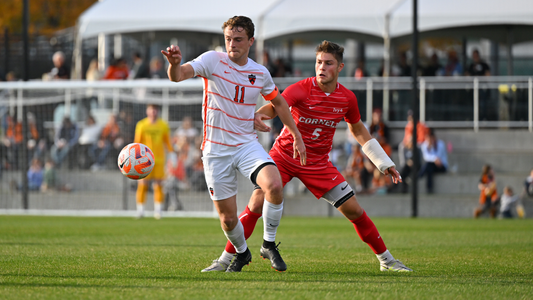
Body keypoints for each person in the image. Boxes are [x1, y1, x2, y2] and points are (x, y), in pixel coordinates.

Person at [201, 40, 411, 273]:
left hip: (318, 163)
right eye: (319, 62)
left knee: (354, 210)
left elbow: (358, 130)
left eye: (328, 63)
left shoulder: (347, 98)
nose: (322, 67)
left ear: (340, 67)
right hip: (283, 157)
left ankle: (387, 261)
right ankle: (224, 260)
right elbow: (275, 106)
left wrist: (383, 162)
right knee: (256, 204)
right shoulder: (300, 88)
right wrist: (258, 115)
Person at [161, 16, 306, 273]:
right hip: (215, 150)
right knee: (228, 219)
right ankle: (241, 253)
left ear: (251, 41)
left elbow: (279, 103)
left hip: (245, 144)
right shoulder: (212, 60)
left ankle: (268, 244)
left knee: (273, 184)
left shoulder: (260, 73)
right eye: (228, 39)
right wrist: (173, 65)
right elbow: (178, 76)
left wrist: (294, 133)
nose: (232, 44)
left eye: (238, 39)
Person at [134, 104, 174, 220]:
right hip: (144, 160)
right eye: (151, 110)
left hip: (159, 159)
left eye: (155, 110)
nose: (153, 112)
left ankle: (158, 211)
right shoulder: (141, 125)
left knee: (159, 184)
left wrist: (172, 154)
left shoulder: (163, 125)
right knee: (142, 184)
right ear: (147, 111)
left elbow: (168, 142)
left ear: (158, 112)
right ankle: (140, 210)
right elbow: (137, 142)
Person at [418, 128, 448, 193]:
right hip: (432, 165)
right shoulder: (424, 145)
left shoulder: (440, 144)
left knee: (429, 165)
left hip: (442, 166)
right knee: (429, 168)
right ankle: (429, 188)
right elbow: (426, 157)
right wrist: (430, 148)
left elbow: (438, 158)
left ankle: (420, 175)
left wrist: (432, 149)